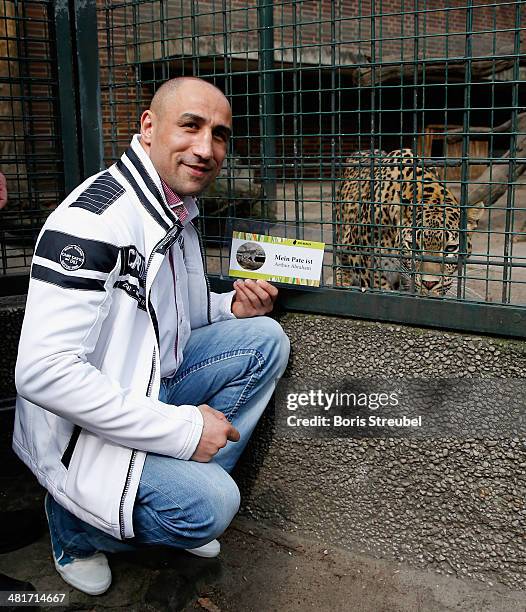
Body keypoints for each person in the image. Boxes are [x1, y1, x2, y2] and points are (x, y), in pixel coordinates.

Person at [13, 77, 290, 596]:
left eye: (221, 134)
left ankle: (170, 486)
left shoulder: (173, 206)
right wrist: (184, 430)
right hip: (80, 428)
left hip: (147, 385)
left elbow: (169, 315)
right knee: (212, 507)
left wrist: (229, 305)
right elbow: (41, 372)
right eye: (191, 126)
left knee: (263, 339)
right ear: (148, 127)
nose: (206, 148)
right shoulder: (93, 222)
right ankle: (74, 528)